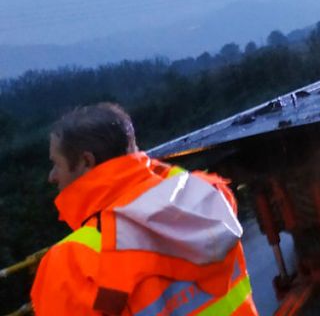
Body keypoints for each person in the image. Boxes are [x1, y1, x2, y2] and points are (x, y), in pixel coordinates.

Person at [31, 103, 257, 316]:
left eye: (56, 164)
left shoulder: (72, 265)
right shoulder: (204, 194)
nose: (52, 176)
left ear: (86, 161)